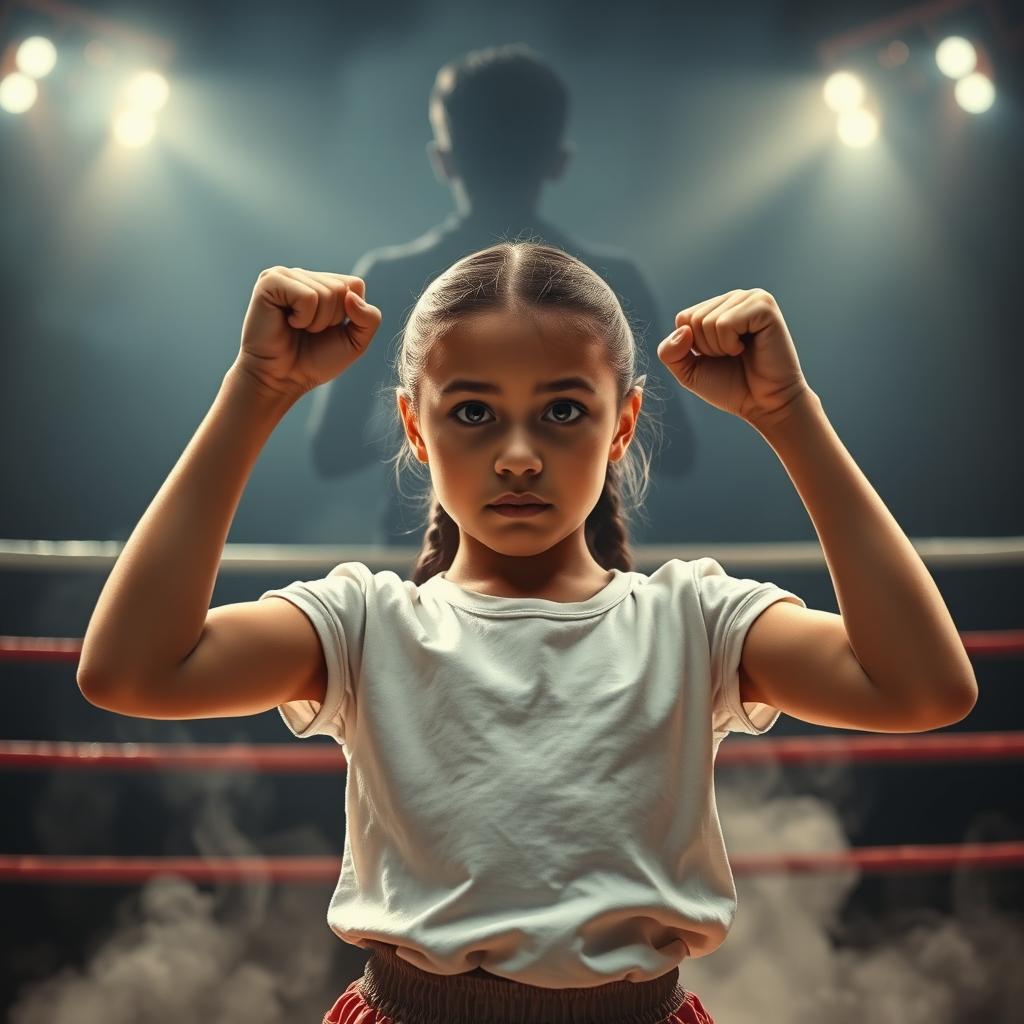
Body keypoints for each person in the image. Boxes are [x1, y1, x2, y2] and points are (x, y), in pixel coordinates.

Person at [77, 248, 978, 1024]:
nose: (517, 453)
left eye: (562, 410)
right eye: (472, 411)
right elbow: (129, 670)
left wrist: (791, 415)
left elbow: (924, 689)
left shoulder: (693, 618)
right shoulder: (367, 622)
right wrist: (257, 390)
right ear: (414, 428)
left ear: (622, 423)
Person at [306, 43, 697, 549]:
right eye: (472, 412)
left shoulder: (385, 279)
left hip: (419, 575)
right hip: (577, 570)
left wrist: (447, 417)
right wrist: (571, 416)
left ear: (443, 160)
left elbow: (330, 452)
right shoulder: (615, 280)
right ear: (558, 161)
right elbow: (678, 452)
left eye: (561, 410)